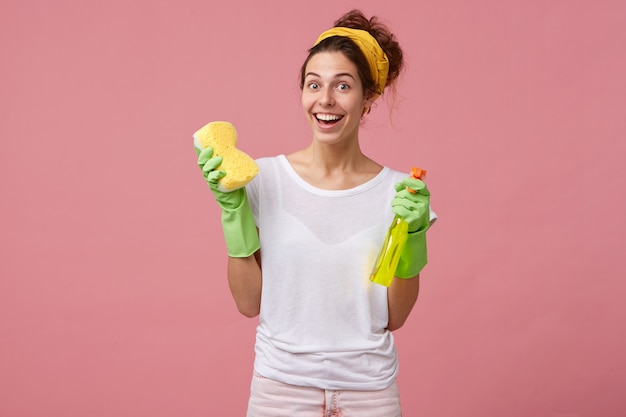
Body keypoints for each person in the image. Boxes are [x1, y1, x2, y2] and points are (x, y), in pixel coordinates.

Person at [195, 9, 436, 417]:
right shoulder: (263, 178)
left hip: (370, 394)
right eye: (313, 85)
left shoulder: (400, 192)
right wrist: (233, 212)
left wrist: (414, 238)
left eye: (343, 85)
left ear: (368, 98)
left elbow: (395, 317)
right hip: (280, 392)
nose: (325, 100)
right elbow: (248, 302)